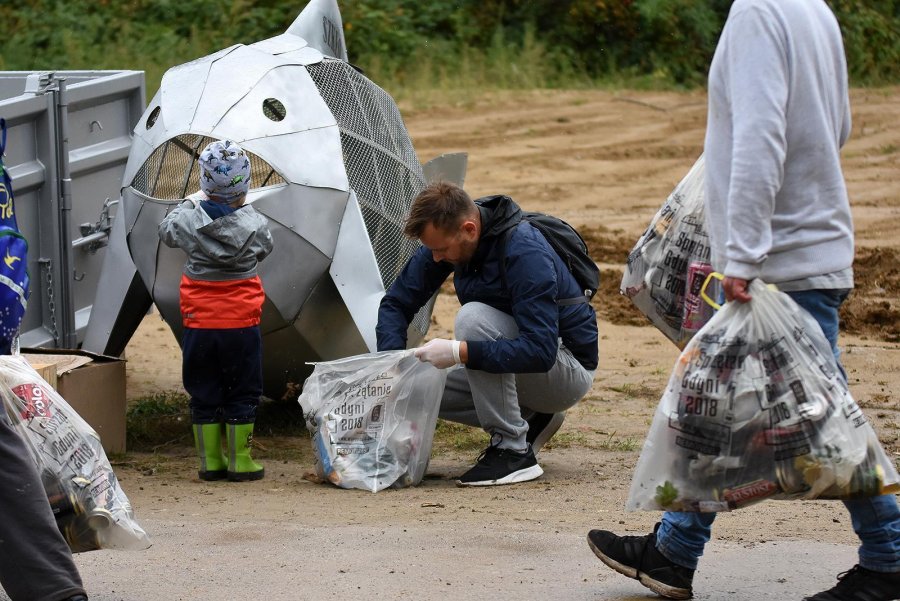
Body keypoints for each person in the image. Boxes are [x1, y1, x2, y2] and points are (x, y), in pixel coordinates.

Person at [585, 1, 900, 600]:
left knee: (829, 428)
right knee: (720, 409)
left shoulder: (758, 13)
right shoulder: (815, 11)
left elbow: (759, 135)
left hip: (779, 263)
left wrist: (745, 257)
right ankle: (674, 552)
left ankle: (889, 560)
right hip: (810, 250)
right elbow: (840, 127)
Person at [376, 181, 598, 486]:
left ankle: (512, 451)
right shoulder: (450, 237)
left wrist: (459, 352)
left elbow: (541, 351)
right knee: (413, 385)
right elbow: (396, 304)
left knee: (473, 319)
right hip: (525, 368)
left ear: (469, 229)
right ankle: (531, 417)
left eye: (440, 250)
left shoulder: (524, 251)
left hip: (565, 371)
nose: (436, 258)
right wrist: (392, 366)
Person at [159, 139, 273, 482]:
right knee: (243, 390)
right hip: (242, 323)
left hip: (200, 323)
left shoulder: (186, 220)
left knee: (203, 389)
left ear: (204, 183)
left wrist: (187, 206)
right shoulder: (256, 225)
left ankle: (210, 462)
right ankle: (241, 460)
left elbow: (165, 231)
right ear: (247, 183)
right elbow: (266, 249)